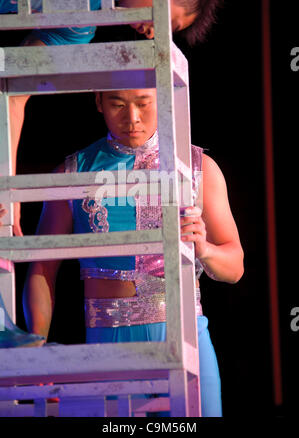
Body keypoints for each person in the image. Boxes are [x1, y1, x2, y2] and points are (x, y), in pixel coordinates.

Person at [15, 88, 244, 417]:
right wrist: (36, 350)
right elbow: (42, 269)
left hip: (186, 339)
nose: (132, 117)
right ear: (98, 102)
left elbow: (235, 266)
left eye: (143, 103)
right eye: (117, 104)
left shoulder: (196, 167)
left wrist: (204, 250)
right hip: (110, 346)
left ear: (162, 98)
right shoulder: (73, 172)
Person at [0, 0, 222, 236]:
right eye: (170, 25)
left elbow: (12, 92)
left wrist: (7, 194)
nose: (154, 34)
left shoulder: (79, 25)